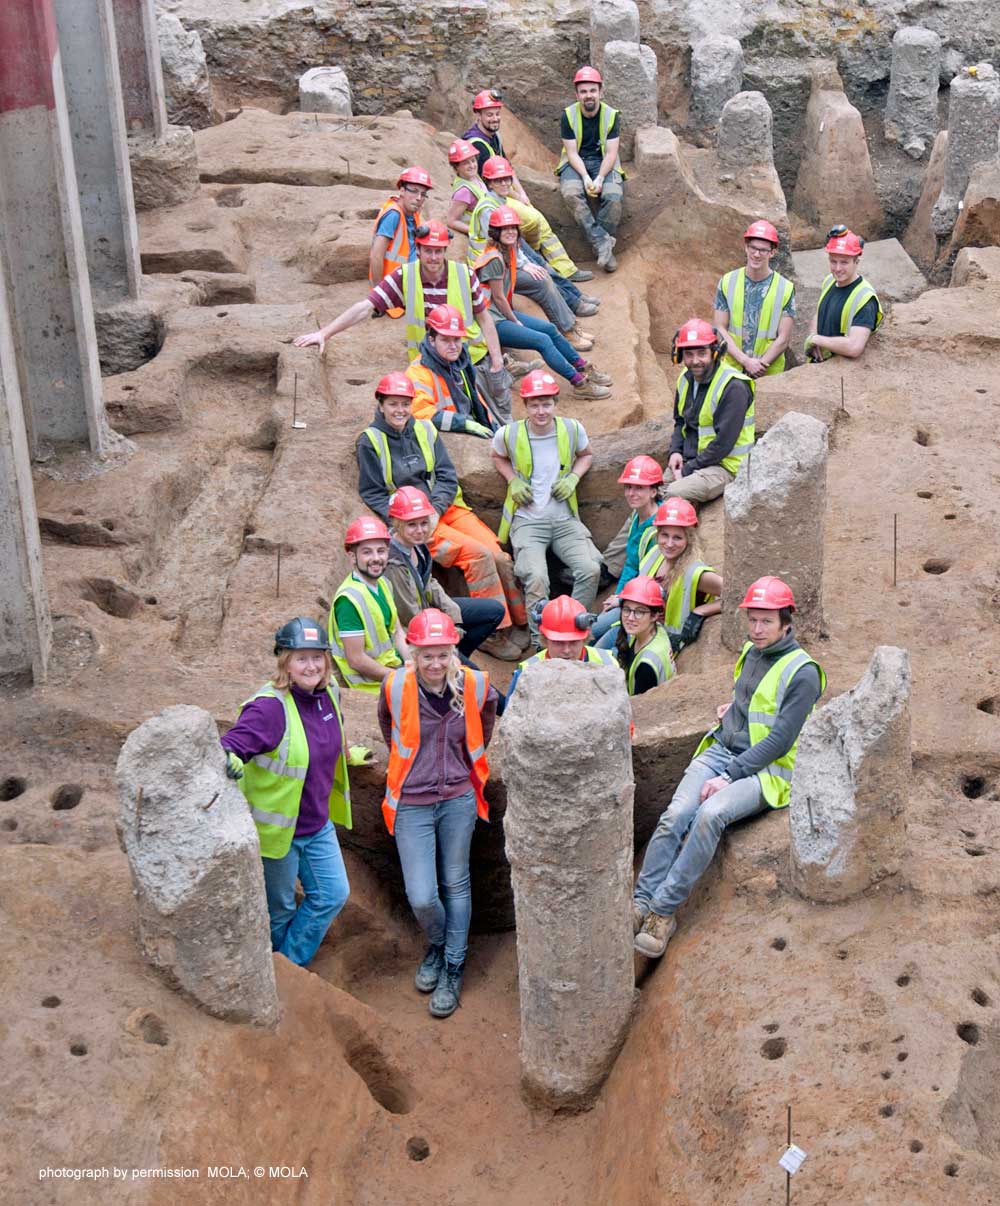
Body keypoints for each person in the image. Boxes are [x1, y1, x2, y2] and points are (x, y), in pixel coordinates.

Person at [633, 576, 825, 957]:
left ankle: (662, 912)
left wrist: (728, 776)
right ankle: (640, 901)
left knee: (709, 815)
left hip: (768, 770)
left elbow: (780, 740)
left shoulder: (802, 673)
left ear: (787, 623)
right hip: (723, 747)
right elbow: (748, 698)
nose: (756, 629)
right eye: (752, 620)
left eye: (766, 621)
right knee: (675, 815)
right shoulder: (751, 651)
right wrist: (733, 709)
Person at [221, 617, 365, 967]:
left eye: (318, 657)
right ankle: (277, 974)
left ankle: (287, 965)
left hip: (316, 824)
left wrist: (348, 754)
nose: (311, 665)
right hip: (276, 833)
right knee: (280, 909)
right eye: (301, 658)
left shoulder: (330, 693)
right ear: (284, 661)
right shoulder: (269, 708)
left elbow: (331, 734)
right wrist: (228, 758)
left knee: (332, 894)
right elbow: (230, 746)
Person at [379, 608, 499, 1018]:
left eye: (442, 654)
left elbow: (486, 721)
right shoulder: (395, 686)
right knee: (423, 895)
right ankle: (437, 942)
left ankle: (452, 964)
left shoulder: (476, 684)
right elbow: (388, 728)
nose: (435, 663)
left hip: (457, 798)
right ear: (412, 653)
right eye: (426, 654)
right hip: (412, 799)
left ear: (453, 652)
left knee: (456, 881)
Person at [357, 374, 528, 636]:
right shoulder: (370, 441)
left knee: (499, 555)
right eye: (393, 404)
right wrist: (408, 519)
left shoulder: (425, 430)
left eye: (405, 404)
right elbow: (373, 492)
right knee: (479, 557)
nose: (400, 410)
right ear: (381, 405)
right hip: (414, 523)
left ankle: (520, 619)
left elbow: (447, 476)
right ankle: (496, 633)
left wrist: (435, 509)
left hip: (446, 509)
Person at [292, 219, 510, 417]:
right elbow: (365, 307)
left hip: (470, 359)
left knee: (491, 416)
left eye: (438, 251)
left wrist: (497, 359)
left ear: (445, 250)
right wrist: (324, 333)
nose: (433, 257)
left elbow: (484, 318)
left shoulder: (464, 275)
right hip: (428, 364)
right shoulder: (406, 276)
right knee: (436, 417)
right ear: (419, 249)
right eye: (428, 251)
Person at [491, 369, 604, 645]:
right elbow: (497, 456)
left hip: (564, 520)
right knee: (536, 577)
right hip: (528, 521)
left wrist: (574, 477)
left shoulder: (571, 429)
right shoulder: (509, 434)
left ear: (555, 402)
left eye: (546, 404)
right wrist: (513, 480)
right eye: (534, 405)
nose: (541, 411)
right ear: (525, 405)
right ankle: (541, 642)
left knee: (590, 569)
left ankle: (573, 629)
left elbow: (585, 455)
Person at [475, 205, 612, 400]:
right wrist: (514, 320)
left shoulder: (509, 250)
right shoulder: (494, 258)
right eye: (504, 229)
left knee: (549, 329)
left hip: (498, 313)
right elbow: (497, 296)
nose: (510, 232)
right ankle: (579, 383)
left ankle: (584, 366)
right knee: (542, 341)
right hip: (490, 320)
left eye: (513, 228)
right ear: (496, 232)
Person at [469, 157, 599, 344]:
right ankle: (567, 331)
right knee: (542, 280)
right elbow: (501, 243)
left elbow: (511, 243)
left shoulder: (499, 201)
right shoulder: (488, 208)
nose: (505, 183)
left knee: (542, 271)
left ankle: (571, 325)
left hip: (501, 262)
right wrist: (524, 265)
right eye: (498, 180)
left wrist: (525, 263)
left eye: (507, 178)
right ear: (489, 182)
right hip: (490, 270)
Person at [383, 485, 519, 662]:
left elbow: (429, 583)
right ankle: (449, 658)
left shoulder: (417, 545)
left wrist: (454, 619)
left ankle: (455, 654)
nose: (420, 530)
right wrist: (444, 630)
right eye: (411, 525)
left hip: (428, 609)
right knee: (476, 680)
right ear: (397, 523)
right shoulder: (394, 562)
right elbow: (409, 615)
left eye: (424, 523)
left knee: (494, 611)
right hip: (415, 630)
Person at [666, 318, 755, 503]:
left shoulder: (733, 387)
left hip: (724, 467)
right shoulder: (685, 378)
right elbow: (681, 422)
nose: (695, 361)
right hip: (693, 459)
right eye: (689, 354)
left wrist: (686, 471)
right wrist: (675, 451)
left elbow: (723, 444)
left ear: (715, 352)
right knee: (646, 490)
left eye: (701, 353)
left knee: (672, 494)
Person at [556, 66, 625, 272]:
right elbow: (571, 152)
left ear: (600, 92)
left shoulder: (611, 115)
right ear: (577, 94)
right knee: (571, 194)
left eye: (593, 90)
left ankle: (603, 246)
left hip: (604, 161)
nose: (589, 95)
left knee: (613, 197)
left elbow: (612, 153)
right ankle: (602, 243)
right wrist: (586, 176)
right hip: (576, 161)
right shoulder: (568, 115)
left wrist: (601, 178)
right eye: (584, 91)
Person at [328, 516, 410, 691]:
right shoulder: (349, 601)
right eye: (367, 552)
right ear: (352, 556)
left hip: (395, 668)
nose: (376, 558)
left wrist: (412, 662)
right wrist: (399, 678)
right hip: (372, 684)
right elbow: (356, 660)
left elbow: (397, 632)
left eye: (381, 551)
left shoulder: (383, 583)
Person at [590, 455, 663, 645]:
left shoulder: (659, 528)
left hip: (644, 605)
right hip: (631, 597)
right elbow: (631, 564)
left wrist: (621, 600)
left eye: (639, 487)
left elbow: (650, 577)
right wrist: (619, 594)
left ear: (654, 491)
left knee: (593, 638)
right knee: (589, 634)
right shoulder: (636, 517)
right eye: (628, 487)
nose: (631, 493)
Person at [634, 497, 723, 653]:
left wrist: (701, 611)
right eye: (664, 535)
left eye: (677, 537)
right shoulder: (655, 553)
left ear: (689, 538)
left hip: (663, 643)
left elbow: (738, 594)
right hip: (638, 625)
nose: (669, 544)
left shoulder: (695, 573)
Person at [713, 220, 795, 377]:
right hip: (731, 369)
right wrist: (746, 361)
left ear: (772, 252)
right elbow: (719, 328)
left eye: (763, 250)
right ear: (746, 247)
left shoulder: (785, 288)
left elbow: (783, 338)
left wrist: (759, 366)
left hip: (767, 373)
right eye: (753, 248)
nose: (756, 254)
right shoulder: (727, 281)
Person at [406, 306, 506, 430]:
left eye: (456, 339)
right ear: (432, 340)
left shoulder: (461, 362)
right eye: (445, 340)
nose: (453, 346)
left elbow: (476, 402)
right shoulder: (417, 372)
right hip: (445, 436)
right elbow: (420, 412)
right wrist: (462, 423)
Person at [506, 595, 618, 696]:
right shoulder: (527, 672)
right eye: (558, 643)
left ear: (585, 638)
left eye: (574, 642)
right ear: (545, 639)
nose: (566, 650)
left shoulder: (607, 664)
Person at [805, 228, 883, 362]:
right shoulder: (830, 280)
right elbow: (819, 313)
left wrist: (816, 340)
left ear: (856, 262)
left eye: (844, 262)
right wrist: (813, 336)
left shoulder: (865, 299)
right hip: (818, 366)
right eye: (833, 261)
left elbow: (854, 347)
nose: (837, 268)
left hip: (840, 371)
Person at [369, 166, 432, 317]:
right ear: (402, 190)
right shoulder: (393, 215)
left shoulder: (412, 212)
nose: (419, 198)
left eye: (423, 194)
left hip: (409, 279)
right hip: (394, 285)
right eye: (414, 191)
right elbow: (376, 256)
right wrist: (379, 297)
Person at [614, 576, 676, 696]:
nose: (631, 618)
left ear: (654, 616)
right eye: (627, 610)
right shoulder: (655, 630)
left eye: (639, 612)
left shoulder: (646, 666)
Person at [461, 88, 529, 199]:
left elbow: (509, 168)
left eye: (497, 114)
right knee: (533, 217)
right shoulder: (476, 144)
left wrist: (522, 194)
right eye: (489, 115)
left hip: (503, 189)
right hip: (488, 195)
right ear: (478, 115)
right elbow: (492, 184)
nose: (495, 118)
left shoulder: (494, 135)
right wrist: (519, 198)